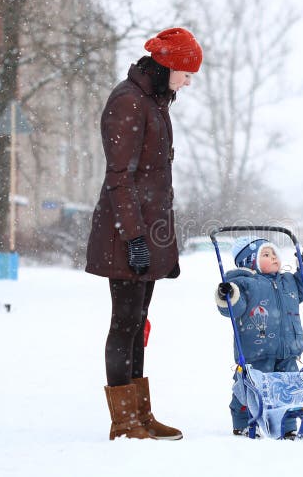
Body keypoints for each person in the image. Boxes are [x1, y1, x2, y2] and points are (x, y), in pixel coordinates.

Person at [85, 27, 202, 441]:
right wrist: (134, 238)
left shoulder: (153, 101)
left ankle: (140, 414)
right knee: (124, 323)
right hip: (125, 233)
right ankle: (124, 421)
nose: (188, 82)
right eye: (186, 73)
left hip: (145, 232)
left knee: (139, 323)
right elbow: (120, 178)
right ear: (167, 66)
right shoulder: (128, 102)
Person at [215, 237, 303, 439]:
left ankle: (287, 426)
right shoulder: (243, 284)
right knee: (250, 389)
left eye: (274, 254)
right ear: (249, 262)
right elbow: (233, 308)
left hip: (288, 350)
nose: (273, 258)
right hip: (257, 352)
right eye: (266, 254)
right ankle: (243, 423)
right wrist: (227, 295)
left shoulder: (288, 281)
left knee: (289, 390)